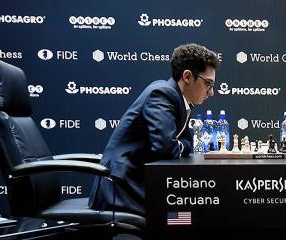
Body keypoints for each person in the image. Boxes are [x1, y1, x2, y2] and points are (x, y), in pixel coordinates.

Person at [89, 43, 220, 215]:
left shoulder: (180, 101)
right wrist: (177, 145)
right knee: (186, 213)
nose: (211, 93)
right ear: (187, 76)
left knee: (190, 208)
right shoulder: (162, 94)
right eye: (208, 84)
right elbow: (166, 149)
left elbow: (187, 142)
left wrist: (178, 145)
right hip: (121, 187)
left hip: (134, 180)